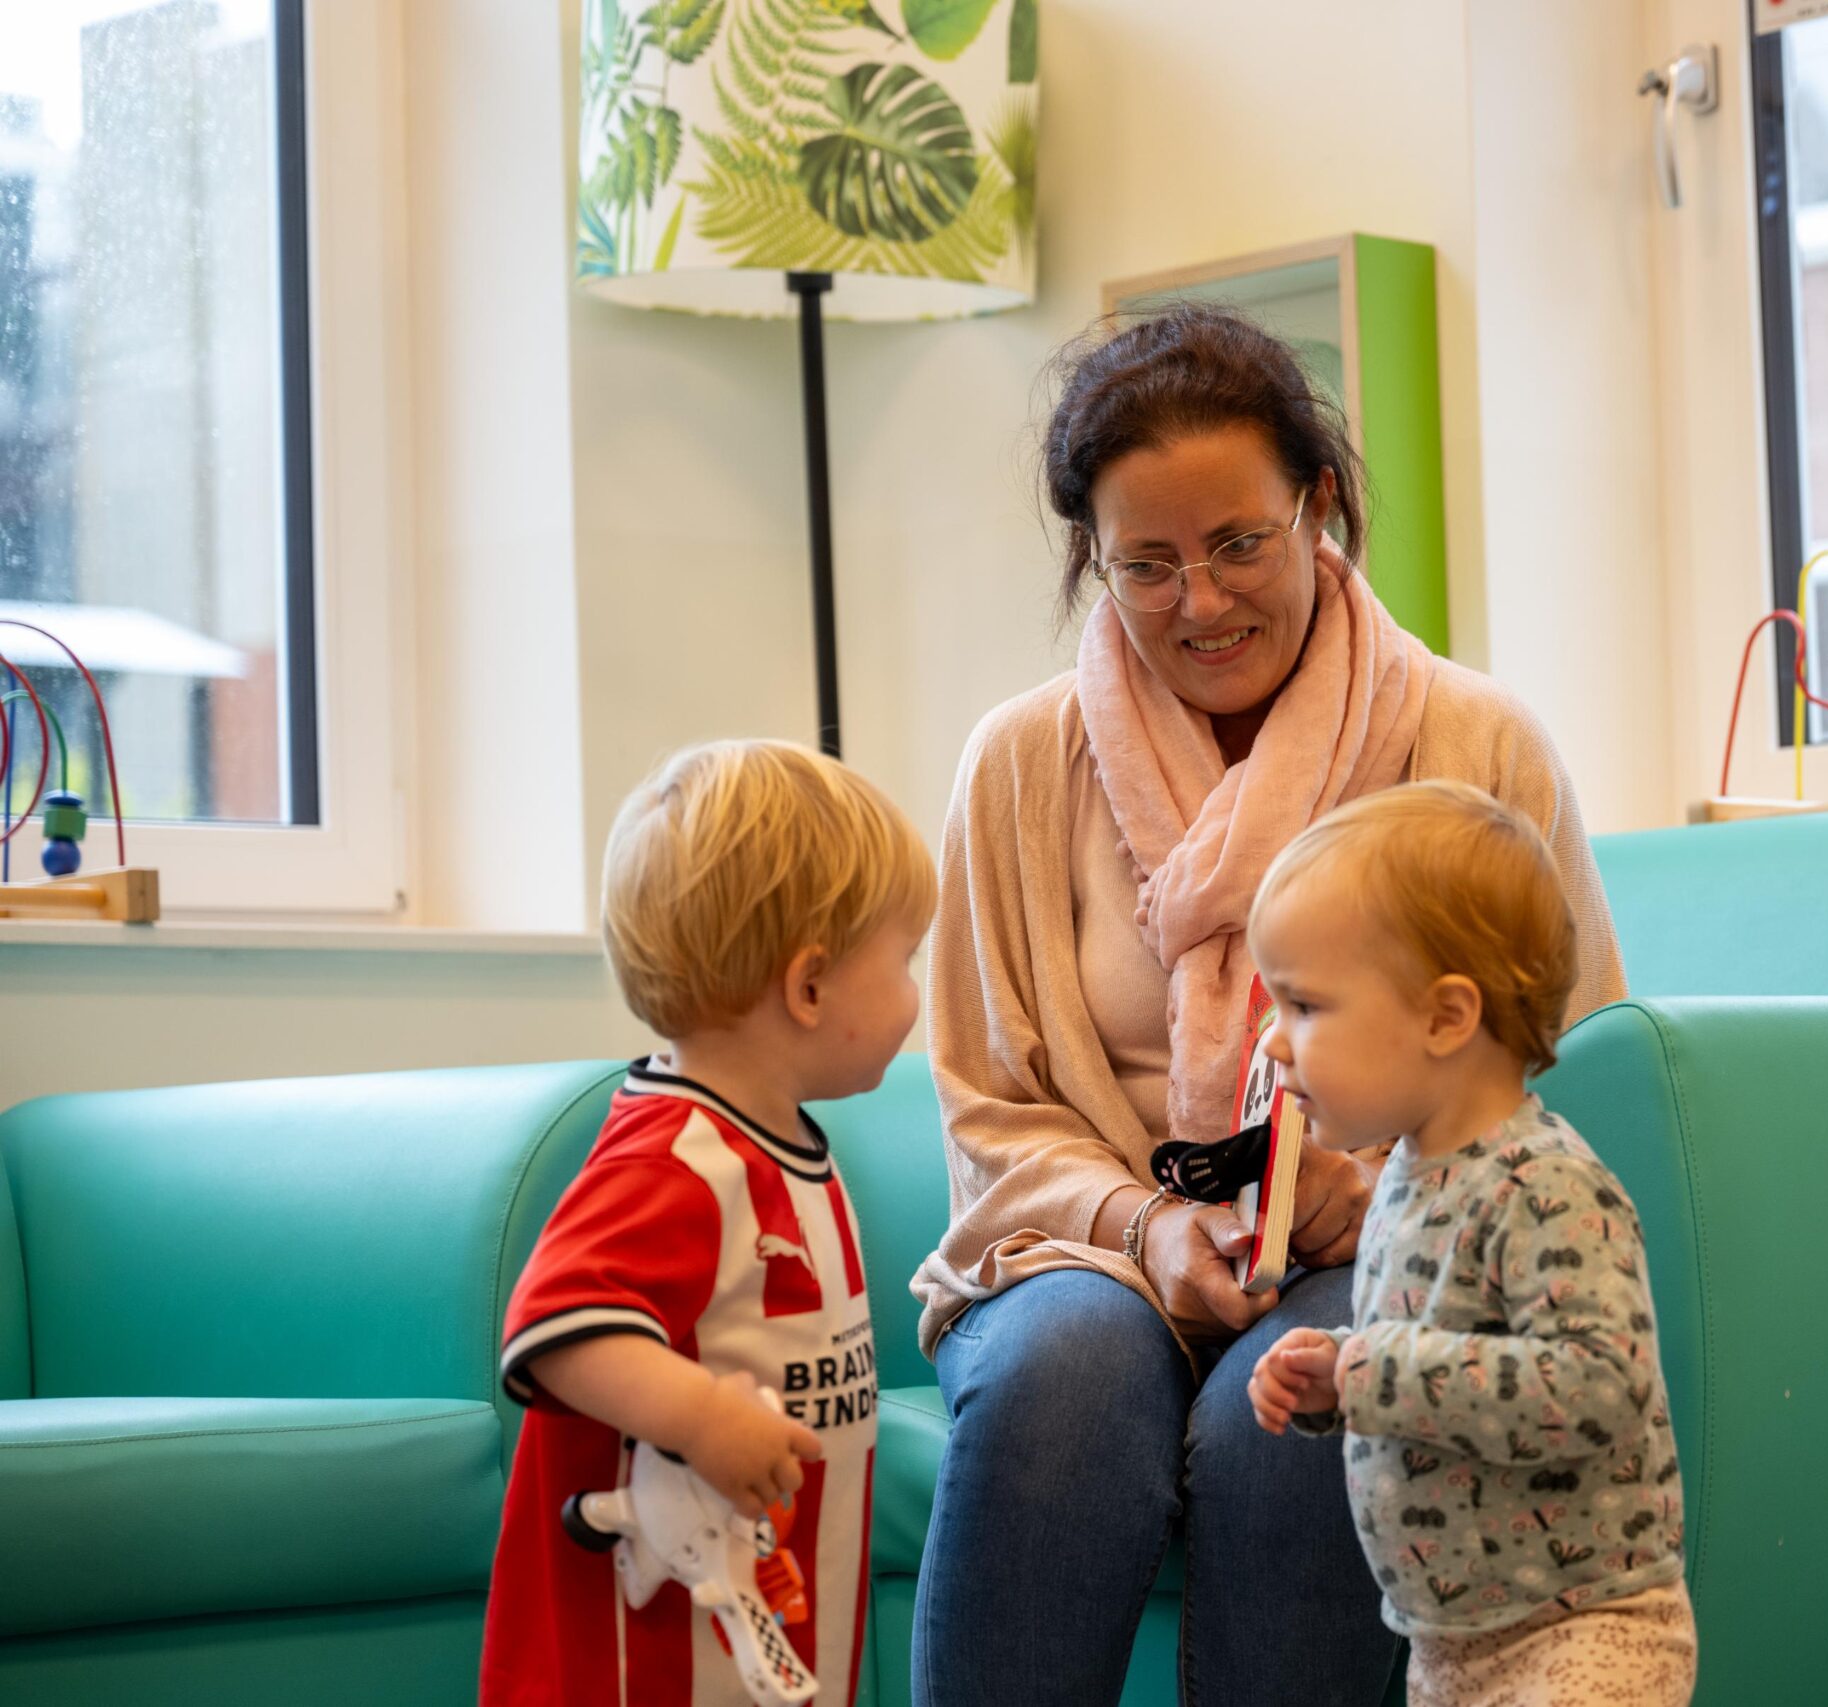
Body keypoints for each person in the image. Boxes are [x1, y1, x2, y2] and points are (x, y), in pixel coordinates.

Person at [911, 304, 1629, 1706]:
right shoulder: (1016, 764)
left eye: (1241, 542)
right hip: (1085, 1246)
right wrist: (1146, 1224)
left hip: (1385, 1244)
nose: (1202, 602)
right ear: (1092, 562)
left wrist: (1373, 1190)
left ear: (1319, 508)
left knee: (1299, 1398)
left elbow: (1565, 1062)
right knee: (1063, 1373)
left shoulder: (1476, 742)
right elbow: (991, 1100)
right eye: (1148, 565)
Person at [480, 740, 935, 1707]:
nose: (916, 996)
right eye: (905, 960)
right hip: (646, 1664)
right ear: (810, 987)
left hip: (767, 1639)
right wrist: (700, 1416)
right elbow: (558, 1324)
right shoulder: (676, 1156)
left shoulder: (782, 1147)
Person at [1246, 782, 1695, 1707]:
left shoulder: (1545, 1185)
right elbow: (1438, 1357)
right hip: (1452, 1642)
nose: (1272, 1043)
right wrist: (1334, 1378)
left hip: (1582, 1630)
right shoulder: (1412, 1173)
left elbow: (1599, 1384)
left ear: (1447, 1018)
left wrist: (1369, 1367)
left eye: (1303, 1007)